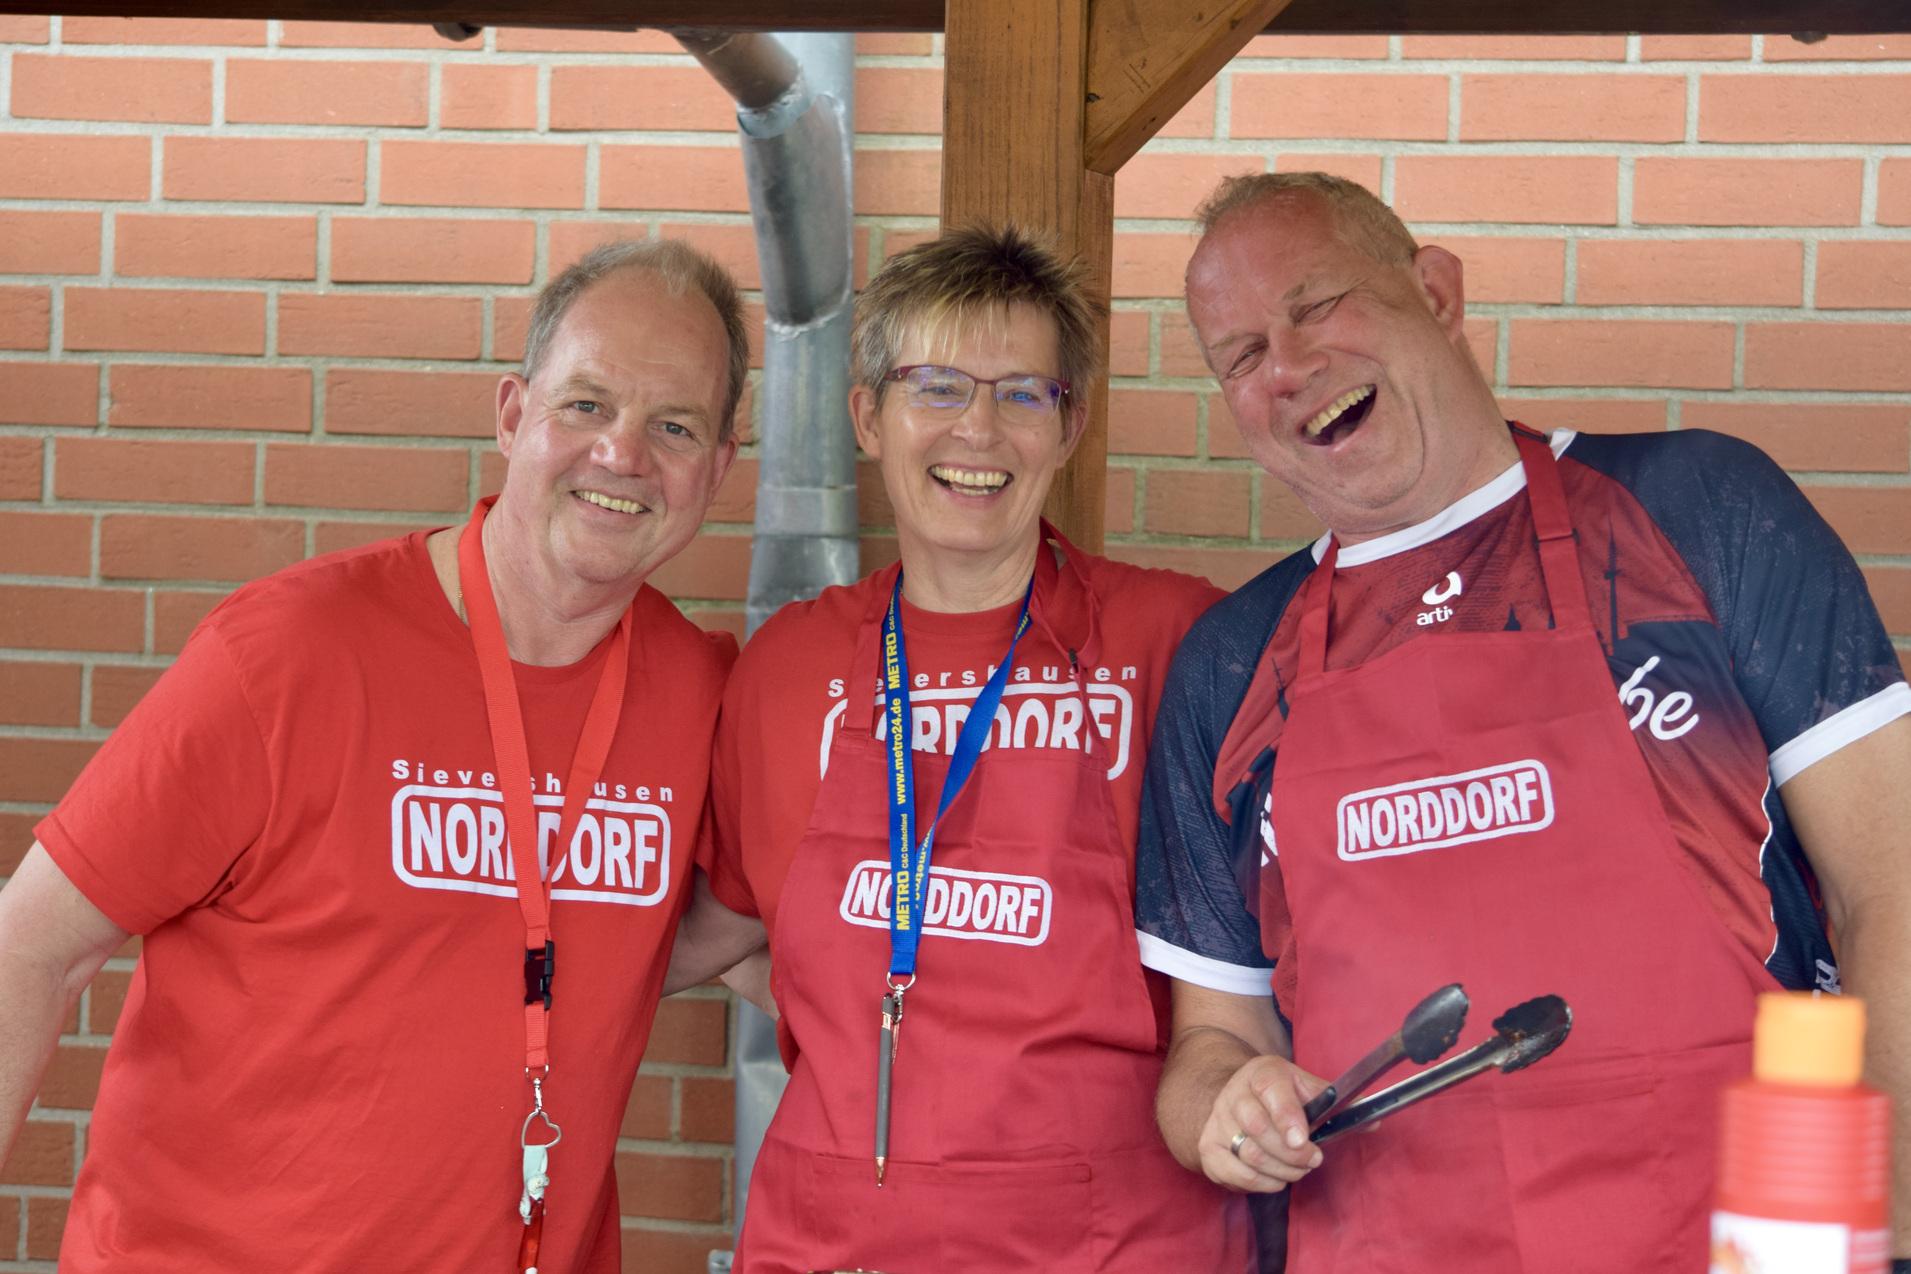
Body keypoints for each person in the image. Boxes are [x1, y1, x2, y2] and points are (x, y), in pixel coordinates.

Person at [1139, 171, 1911, 1272]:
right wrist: (1226, 1103)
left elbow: (1891, 886)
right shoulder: (1230, 665)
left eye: (1314, 306)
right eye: (1241, 355)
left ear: (1436, 293)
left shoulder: (1700, 510)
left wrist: (1864, 1222)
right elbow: (1212, 1041)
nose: (1288, 367)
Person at [0, 239, 766, 1272]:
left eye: (674, 425)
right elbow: (33, 947)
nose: (622, 453)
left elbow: (775, 934)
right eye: (586, 404)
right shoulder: (288, 654)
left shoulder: (703, 697)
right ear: (513, 416)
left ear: (718, 466)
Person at [706, 225, 1254, 1272]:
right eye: (937, 387)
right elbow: (724, 925)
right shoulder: (788, 664)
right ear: (869, 417)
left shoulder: (1177, 643)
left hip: (1109, 1242)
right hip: (833, 1239)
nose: (979, 429)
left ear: (1070, 425)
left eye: (1023, 394)